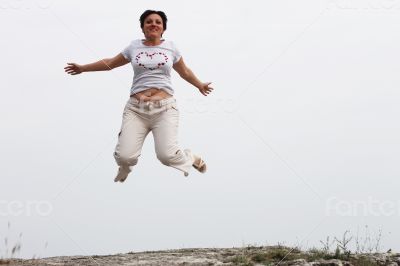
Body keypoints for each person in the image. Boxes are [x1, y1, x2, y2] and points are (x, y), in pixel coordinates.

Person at [64, 10, 213, 182]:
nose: (153, 24)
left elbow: (185, 72)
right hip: (136, 109)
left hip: (164, 109)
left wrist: (199, 84)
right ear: (142, 27)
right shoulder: (134, 47)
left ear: (163, 28)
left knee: (166, 156)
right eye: (149, 22)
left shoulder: (171, 47)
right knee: (124, 157)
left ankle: (190, 158)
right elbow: (110, 63)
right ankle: (125, 168)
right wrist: (83, 68)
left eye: (158, 22)